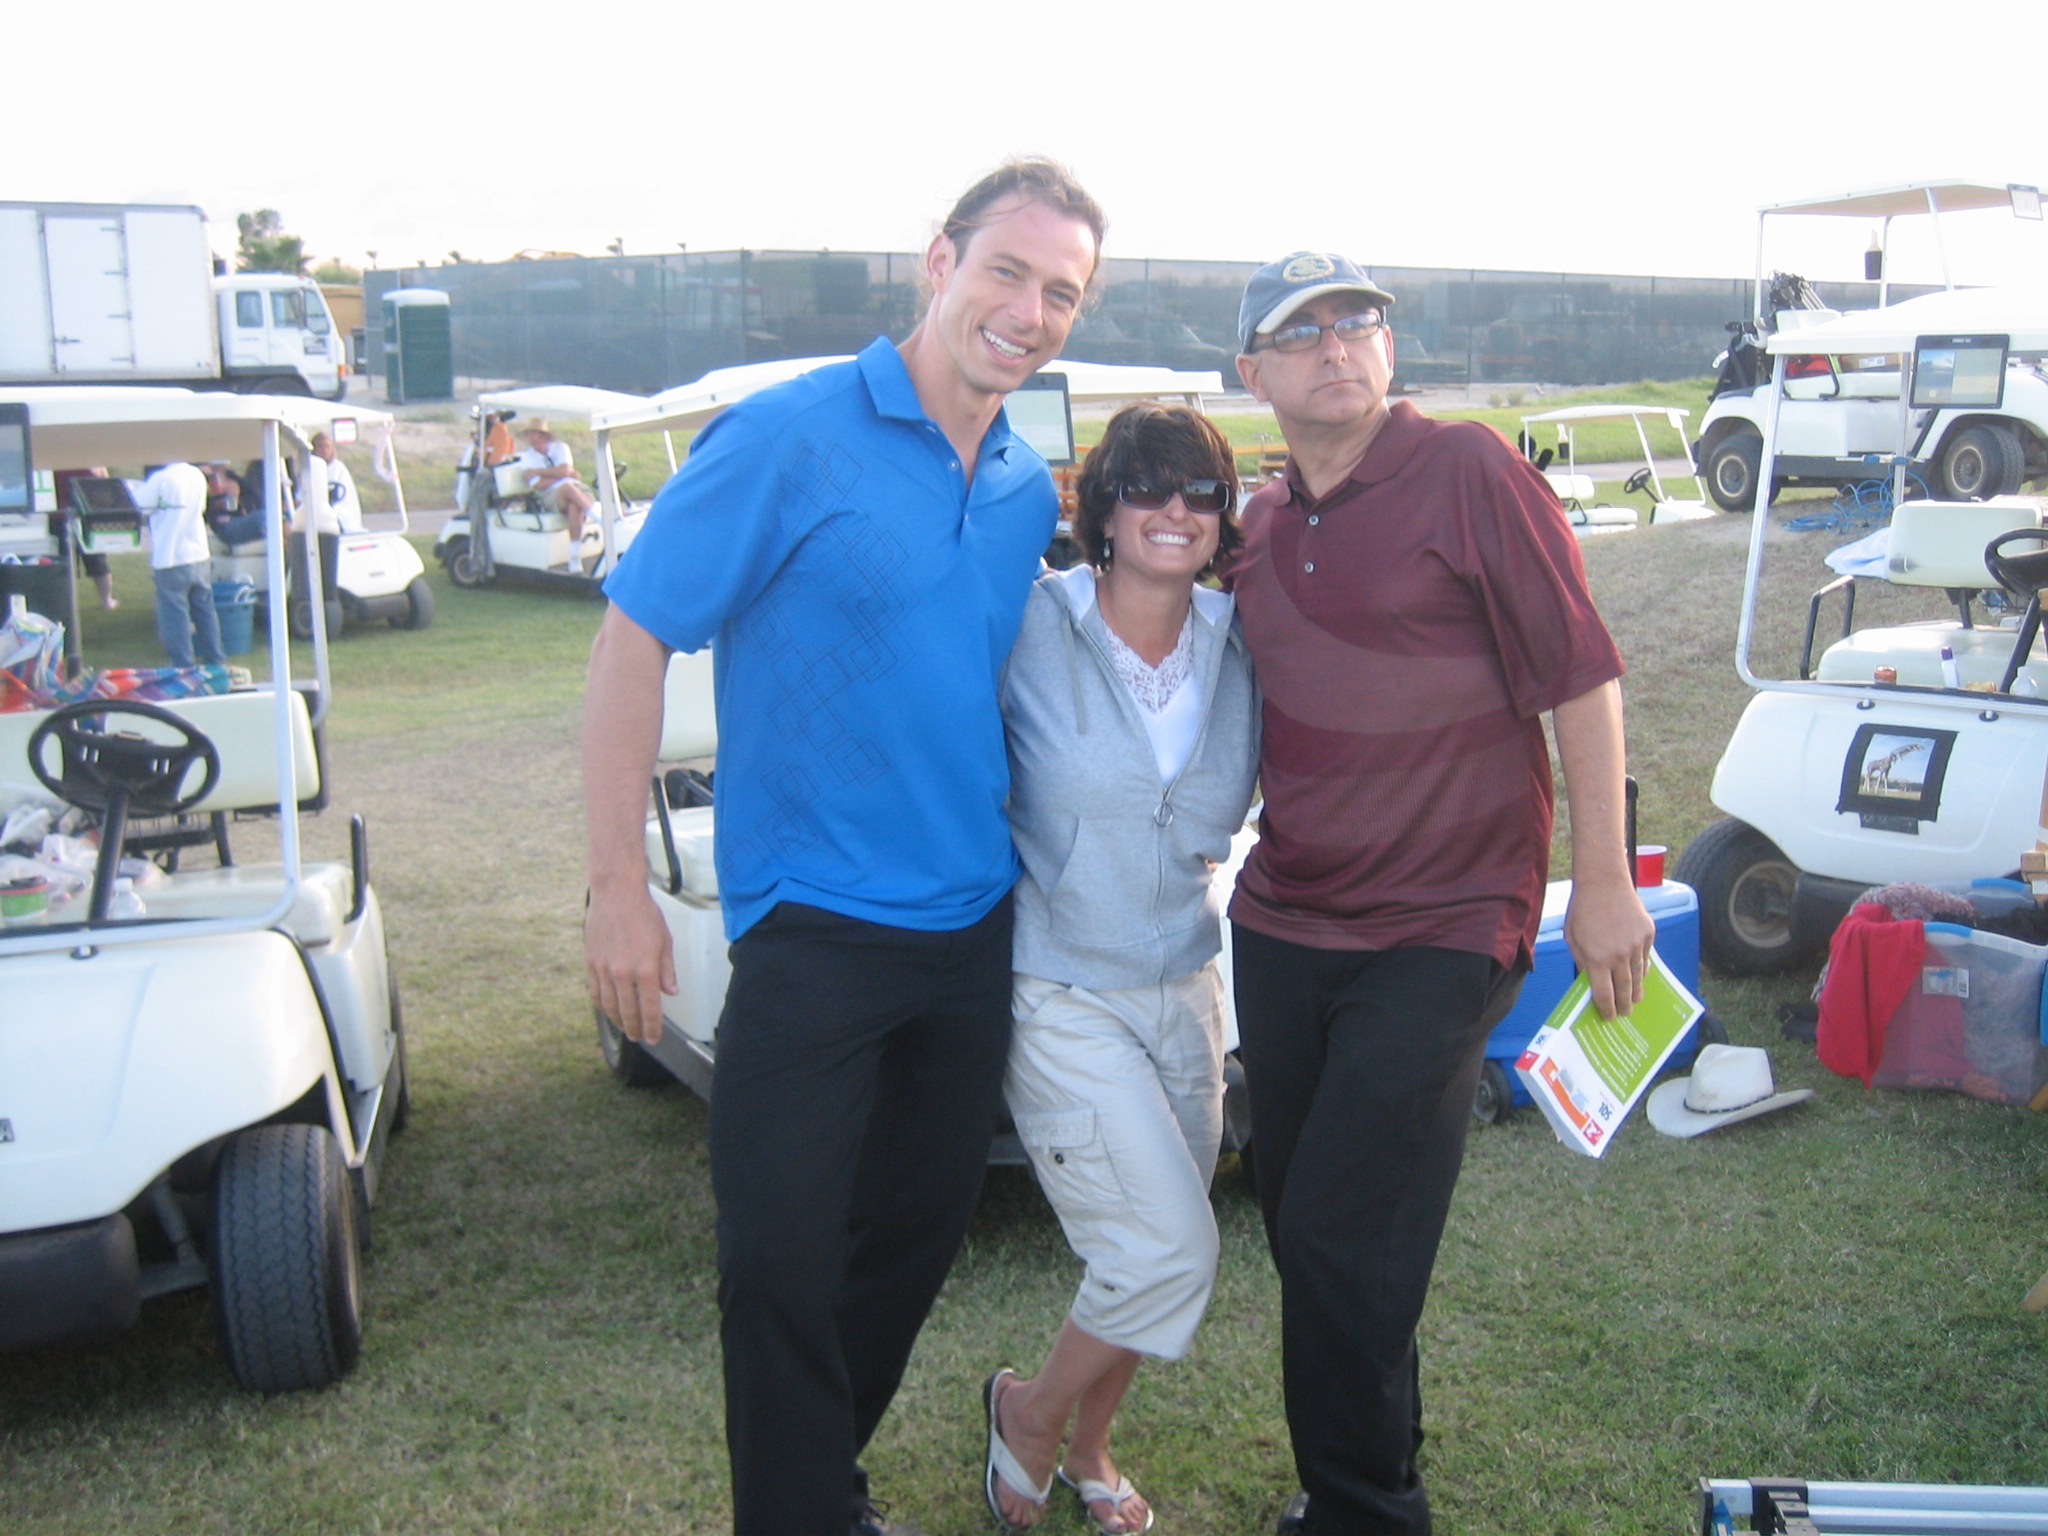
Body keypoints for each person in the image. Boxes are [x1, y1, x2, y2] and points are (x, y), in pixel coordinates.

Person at [581, 158, 1106, 1536]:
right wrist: (618, 889)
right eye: (1008, 270)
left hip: (969, 923)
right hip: (809, 921)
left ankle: (816, 1493)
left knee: (913, 1240)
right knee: (775, 1259)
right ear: (937, 262)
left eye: (1062, 292)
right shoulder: (785, 436)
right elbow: (635, 636)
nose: (1029, 309)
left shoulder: (1018, 483)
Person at [1224, 253, 1655, 1536]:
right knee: (1309, 1224)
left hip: (1446, 922)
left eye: (1357, 321)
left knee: (1347, 1236)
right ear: (1254, 375)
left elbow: (1579, 676)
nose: (1336, 346)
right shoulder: (1255, 526)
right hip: (1282, 921)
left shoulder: (1469, 470)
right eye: (1300, 333)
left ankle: (1368, 1511)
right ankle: (1349, 1486)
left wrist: (1605, 886)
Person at [984, 403, 1258, 1536]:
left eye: (1199, 491)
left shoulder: (1246, 640)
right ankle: (1030, 1416)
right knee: (1168, 1247)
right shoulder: (1026, 623)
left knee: (1141, 1248)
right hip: (1058, 986)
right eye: (1146, 486)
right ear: (1098, 508)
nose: (1174, 510)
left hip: (1187, 986)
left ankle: (1089, 1441)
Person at [139, 460, 224, 668]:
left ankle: (183, 665)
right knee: (205, 611)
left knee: (175, 616)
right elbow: (202, 507)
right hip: (198, 553)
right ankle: (216, 661)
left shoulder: (160, 479)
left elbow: (140, 506)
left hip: (171, 556)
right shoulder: (196, 475)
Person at [515, 420, 596, 567]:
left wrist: (538, 471)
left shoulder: (560, 448)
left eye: (534, 434)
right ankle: (598, 517)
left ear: (543, 436)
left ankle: (574, 557)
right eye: (528, 434)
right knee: (567, 488)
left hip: (577, 489)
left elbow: (564, 470)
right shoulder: (527, 457)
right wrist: (565, 475)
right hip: (550, 495)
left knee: (574, 506)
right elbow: (539, 485)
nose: (531, 438)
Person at [50, 469, 118, 610]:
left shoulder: (53, 460)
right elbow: (105, 483)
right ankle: (106, 600)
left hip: (64, 515)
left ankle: (63, 602)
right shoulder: (90, 461)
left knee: (64, 563)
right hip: (84, 514)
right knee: (97, 560)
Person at [313, 432, 366, 533]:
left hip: (340, 513)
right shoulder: (310, 469)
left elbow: (344, 495)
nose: (324, 450)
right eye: (320, 447)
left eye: (327, 446)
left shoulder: (339, 469)